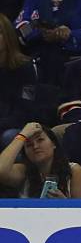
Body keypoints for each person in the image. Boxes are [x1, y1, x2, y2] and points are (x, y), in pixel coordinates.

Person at [0, 121, 81, 198]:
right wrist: (22, 135)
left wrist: (64, 204)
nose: (35, 146)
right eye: (29, 145)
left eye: (40, 140)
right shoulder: (23, 171)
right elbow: (1, 171)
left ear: (54, 144)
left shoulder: (74, 171)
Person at [0, 13, 44, 148]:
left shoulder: (26, 68)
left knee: (9, 136)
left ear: (7, 37)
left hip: (18, 126)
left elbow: (26, 110)